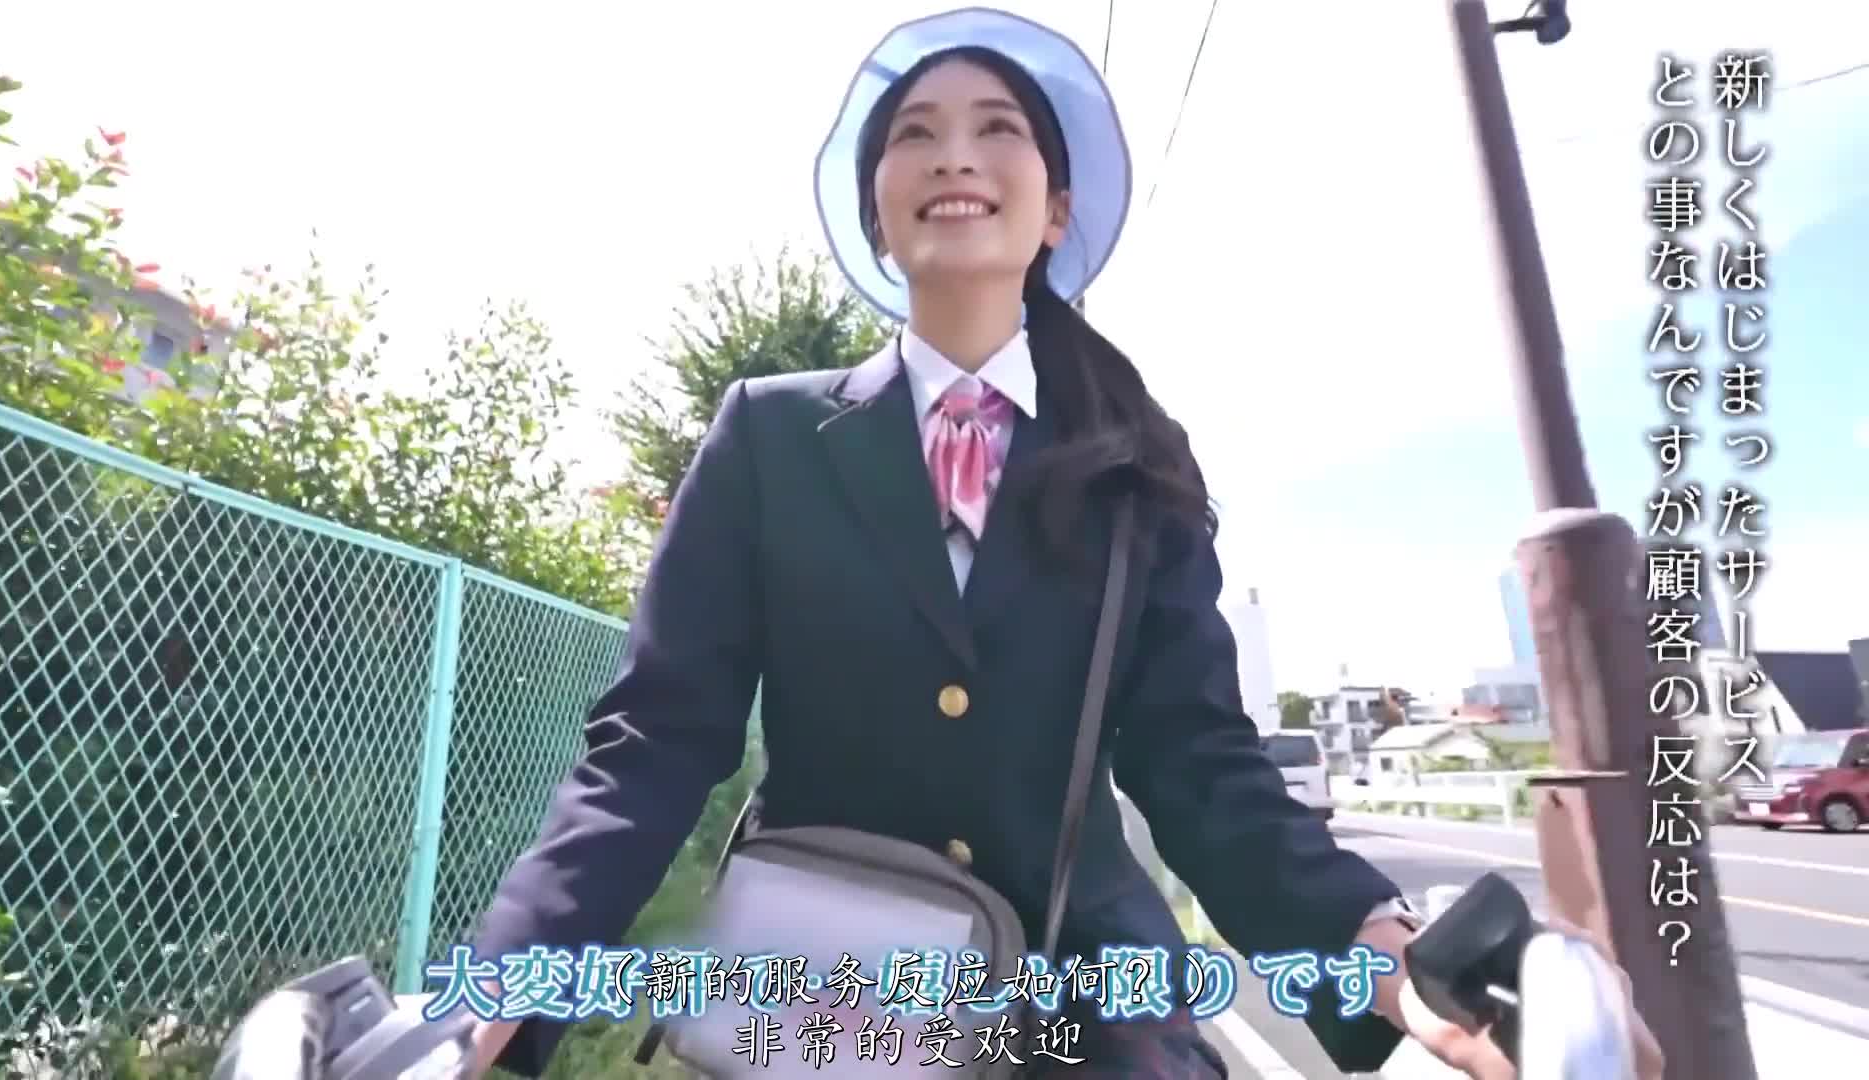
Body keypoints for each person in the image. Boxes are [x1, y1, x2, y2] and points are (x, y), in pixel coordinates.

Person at [461, 8, 1663, 1078]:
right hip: (831, 994)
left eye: (998, 129)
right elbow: (655, 742)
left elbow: (1201, 766)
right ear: (878, 211)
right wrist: (505, 988)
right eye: (915, 134)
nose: (954, 154)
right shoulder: (767, 436)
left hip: (1086, 1000)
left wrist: (1389, 955)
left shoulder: (1135, 463)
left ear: (1056, 209)